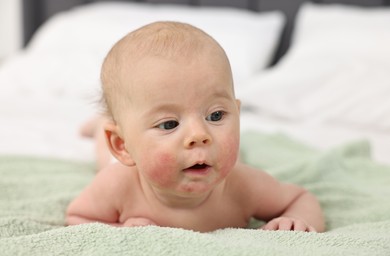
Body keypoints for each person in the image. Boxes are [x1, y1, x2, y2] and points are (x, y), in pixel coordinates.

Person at [66, 21, 325, 233]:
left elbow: (300, 199)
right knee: (105, 159)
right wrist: (118, 227)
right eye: (169, 123)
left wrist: (296, 220)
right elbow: (78, 216)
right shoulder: (117, 185)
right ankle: (100, 126)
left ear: (237, 112)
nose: (199, 135)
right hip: (121, 166)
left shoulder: (245, 185)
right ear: (122, 145)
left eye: (215, 115)